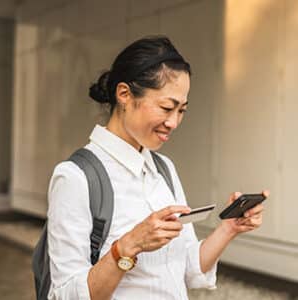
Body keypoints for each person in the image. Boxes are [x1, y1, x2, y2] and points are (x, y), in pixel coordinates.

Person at [47, 35, 268, 300]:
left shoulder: (164, 168)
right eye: (166, 107)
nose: (173, 122)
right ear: (124, 94)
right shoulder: (75, 177)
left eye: (182, 110)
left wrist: (230, 228)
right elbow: (66, 294)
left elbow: (188, 269)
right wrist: (128, 246)